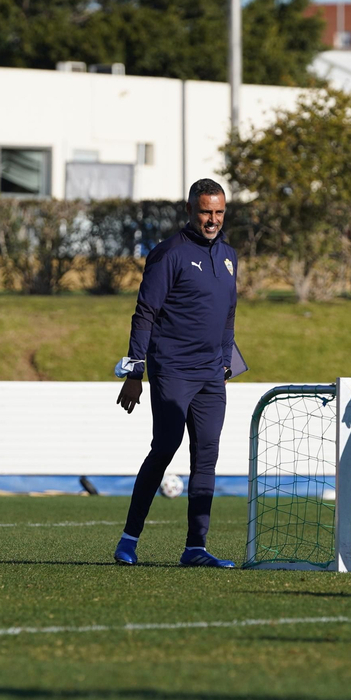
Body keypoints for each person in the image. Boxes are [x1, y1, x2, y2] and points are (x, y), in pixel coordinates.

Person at [113, 178, 239, 568]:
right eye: (205, 211)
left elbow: (228, 313)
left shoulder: (230, 255)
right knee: (165, 447)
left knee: (207, 457)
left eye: (218, 212)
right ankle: (129, 539)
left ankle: (195, 548)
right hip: (172, 371)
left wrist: (225, 361)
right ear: (189, 211)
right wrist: (135, 372)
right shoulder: (169, 254)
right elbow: (145, 313)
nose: (212, 220)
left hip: (210, 375)